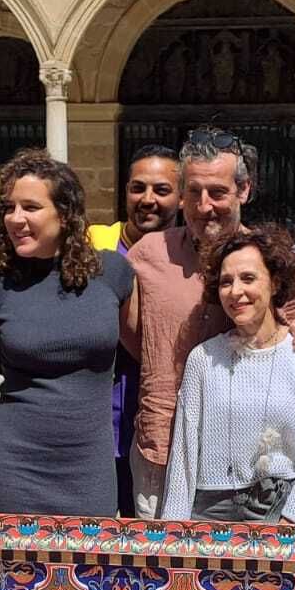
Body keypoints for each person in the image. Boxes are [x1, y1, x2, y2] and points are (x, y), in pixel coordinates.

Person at [123, 127, 295, 519]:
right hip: (161, 453)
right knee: (168, 572)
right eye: (194, 192)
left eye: (217, 192)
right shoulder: (147, 255)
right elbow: (135, 336)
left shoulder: (274, 264)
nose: (204, 206)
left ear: (244, 190)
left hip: (248, 469)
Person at [0, 150, 134, 516]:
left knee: (91, 572)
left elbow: (139, 351)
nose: (16, 219)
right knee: (15, 574)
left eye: (30, 207)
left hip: (89, 467)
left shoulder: (113, 274)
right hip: (15, 466)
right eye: (9, 208)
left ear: (65, 212)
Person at [161, 225, 295, 526]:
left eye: (248, 278)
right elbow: (183, 456)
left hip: (281, 510)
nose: (236, 292)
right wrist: (174, 529)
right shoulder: (203, 359)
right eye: (225, 282)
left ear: (274, 283)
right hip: (210, 513)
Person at [89, 145, 183, 516]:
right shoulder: (91, 247)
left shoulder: (191, 257)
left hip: (162, 437)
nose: (148, 199)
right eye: (138, 188)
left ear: (180, 195)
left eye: (161, 190)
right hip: (98, 431)